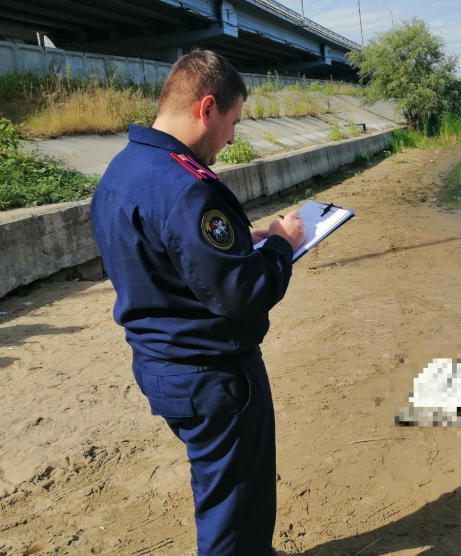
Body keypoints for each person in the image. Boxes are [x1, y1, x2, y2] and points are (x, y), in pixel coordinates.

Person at [91, 49, 305, 556]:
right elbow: (245, 295)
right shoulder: (186, 187)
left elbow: (165, 257)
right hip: (212, 376)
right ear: (207, 108)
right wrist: (281, 245)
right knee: (235, 507)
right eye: (232, 122)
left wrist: (238, 241)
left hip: (161, 363)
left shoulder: (122, 171)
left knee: (222, 491)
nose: (232, 138)